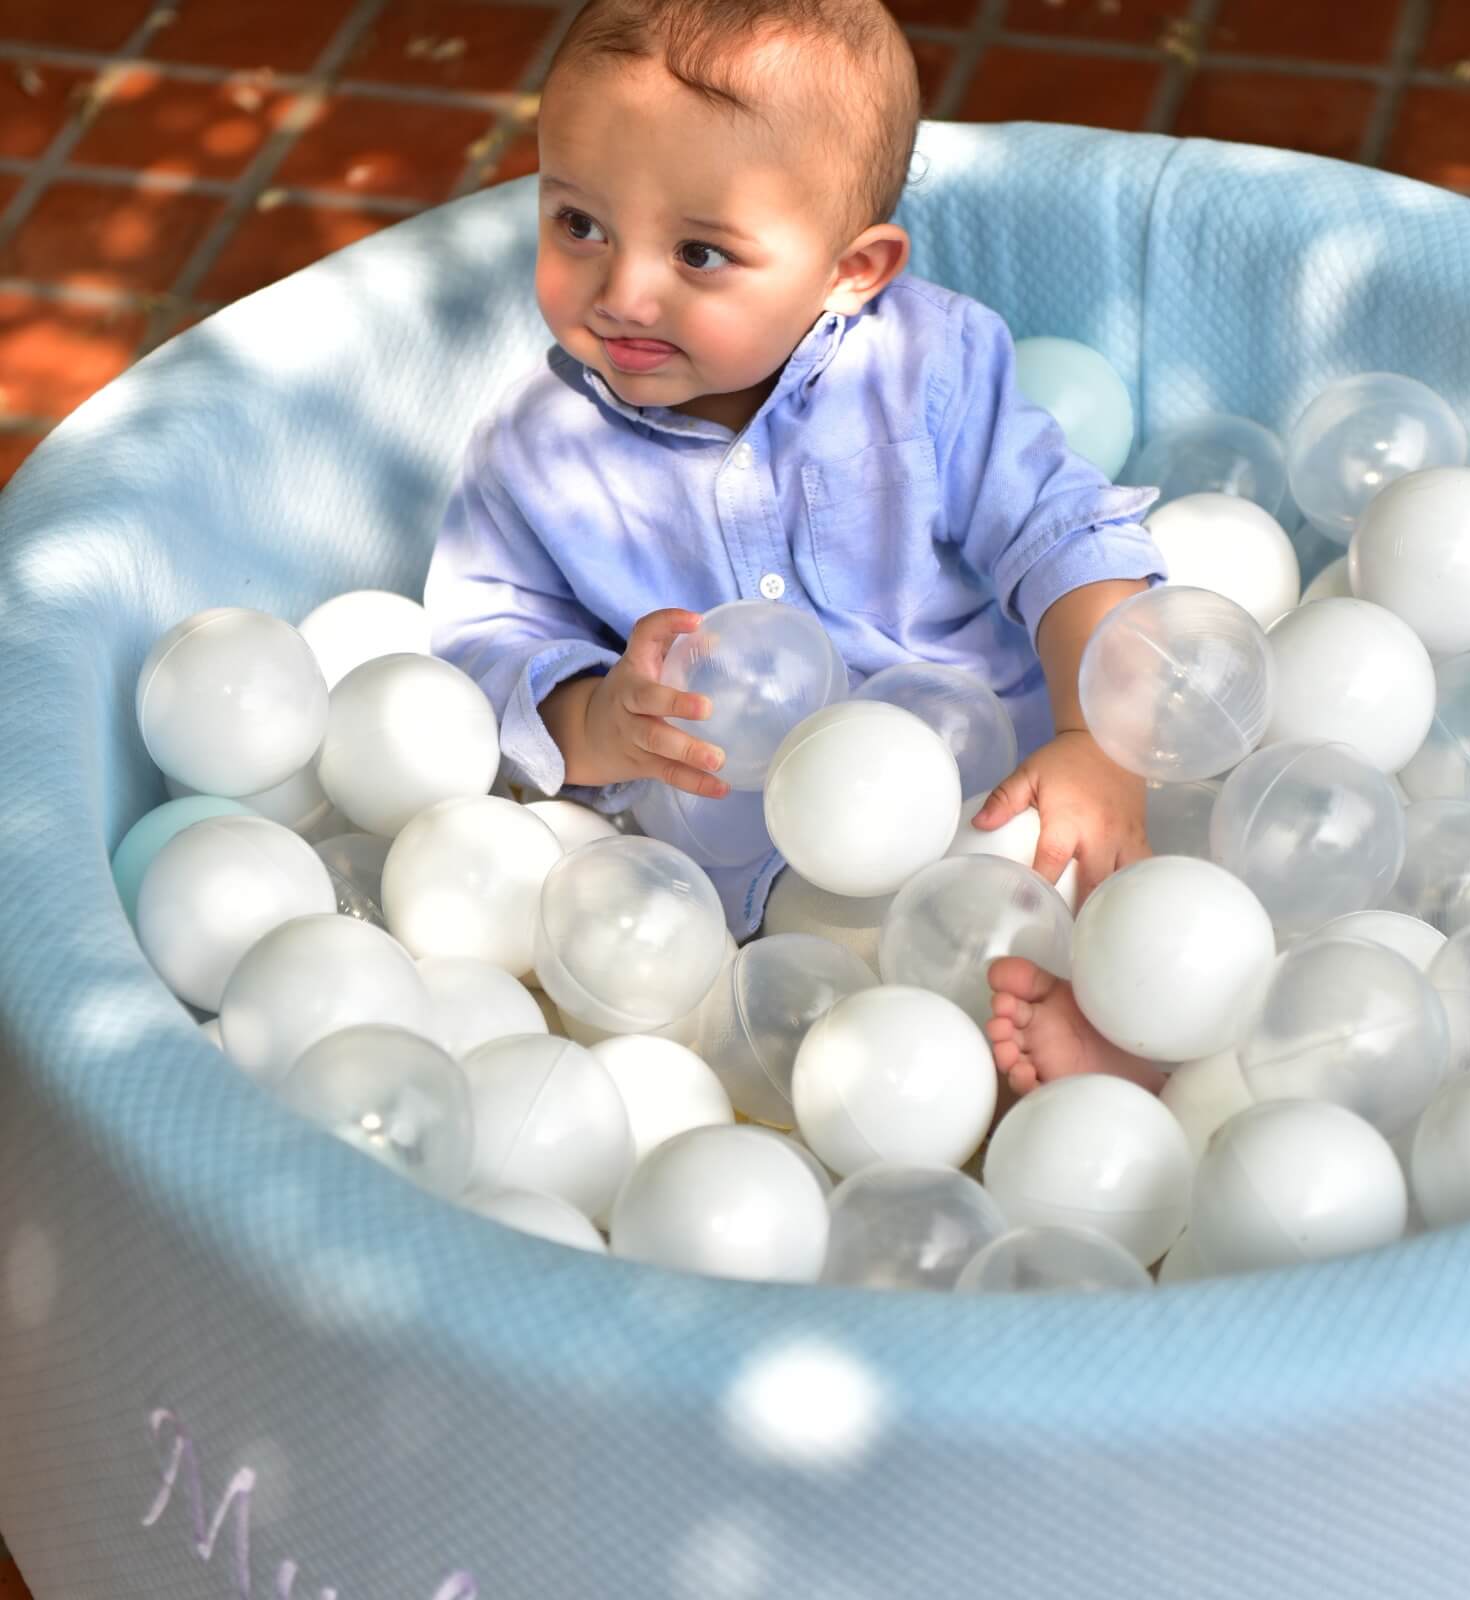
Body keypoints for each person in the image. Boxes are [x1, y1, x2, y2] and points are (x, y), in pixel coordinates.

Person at [424, 0, 1166, 1095]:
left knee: (1099, 887)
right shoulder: (538, 450)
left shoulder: (927, 366)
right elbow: (482, 640)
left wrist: (1094, 737)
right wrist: (597, 721)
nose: (624, 289)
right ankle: (975, 1075)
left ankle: (1110, 1040)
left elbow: (1062, 533)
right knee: (854, 1032)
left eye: (700, 251)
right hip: (755, 899)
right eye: (578, 222)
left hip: (989, 795)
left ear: (852, 269)